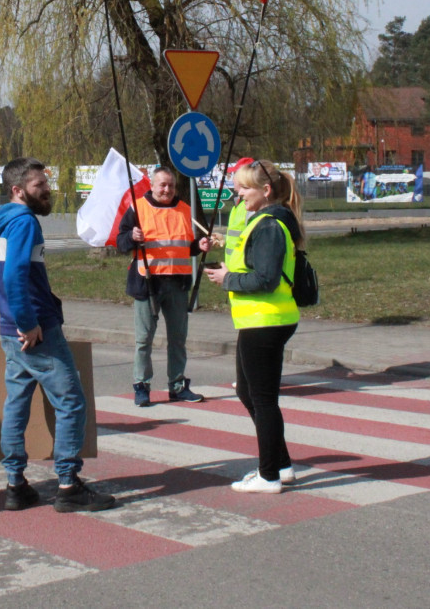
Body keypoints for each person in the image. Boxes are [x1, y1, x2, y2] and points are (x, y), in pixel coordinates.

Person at [0, 157, 115, 513]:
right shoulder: (24, 222)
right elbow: (13, 278)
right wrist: (28, 322)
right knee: (71, 402)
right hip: (36, 330)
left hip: (11, 330)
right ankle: (69, 485)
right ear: (18, 190)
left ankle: (15, 484)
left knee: (16, 403)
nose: (47, 190)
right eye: (39, 185)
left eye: (46, 183)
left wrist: (14, 323)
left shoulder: (2, 223)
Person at [206, 159, 302, 494]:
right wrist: (228, 270)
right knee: (248, 392)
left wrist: (226, 278)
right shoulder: (263, 221)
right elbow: (255, 266)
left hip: (266, 318)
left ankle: (269, 475)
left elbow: (265, 277)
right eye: (237, 188)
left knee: (262, 399)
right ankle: (282, 466)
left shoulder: (269, 225)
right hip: (259, 318)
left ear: (265, 190)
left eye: (244, 188)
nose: (238, 194)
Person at [116, 166, 205, 406]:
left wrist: (200, 246)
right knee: (144, 339)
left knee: (178, 339)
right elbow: (120, 242)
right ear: (152, 186)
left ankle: (177, 386)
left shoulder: (185, 209)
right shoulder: (137, 208)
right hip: (148, 284)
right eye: (162, 185)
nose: (167, 190)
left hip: (178, 283)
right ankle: (141, 386)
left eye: (171, 185)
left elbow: (187, 245)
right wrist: (131, 237)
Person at [223, 158, 255, 262]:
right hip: (233, 271)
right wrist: (223, 238)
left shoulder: (251, 205)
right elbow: (239, 237)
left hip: (243, 272)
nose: (233, 179)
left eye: (235, 175)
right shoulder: (237, 204)